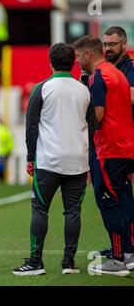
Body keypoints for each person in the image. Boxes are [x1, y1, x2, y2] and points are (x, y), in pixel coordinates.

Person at [12, 43, 94, 276]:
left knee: (40, 209)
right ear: (73, 62)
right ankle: (69, 263)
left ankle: (36, 262)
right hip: (77, 161)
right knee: (73, 212)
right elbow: (92, 127)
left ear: (50, 62)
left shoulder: (43, 88)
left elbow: (31, 126)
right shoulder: (84, 90)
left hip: (48, 161)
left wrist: (30, 157)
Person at [74, 35, 134, 276]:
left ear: (88, 54)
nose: (76, 61)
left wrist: (75, 122)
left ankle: (119, 259)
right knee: (122, 200)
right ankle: (126, 252)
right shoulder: (114, 72)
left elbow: (97, 116)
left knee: (109, 201)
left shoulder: (99, 76)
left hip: (110, 149)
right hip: (124, 146)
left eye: (78, 56)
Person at [91, 26, 134, 259]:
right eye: (105, 44)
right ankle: (121, 246)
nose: (108, 48)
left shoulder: (128, 68)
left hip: (121, 143)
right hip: (106, 142)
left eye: (112, 44)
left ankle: (126, 250)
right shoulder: (104, 71)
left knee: (119, 198)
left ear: (123, 45)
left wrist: (104, 93)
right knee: (107, 198)